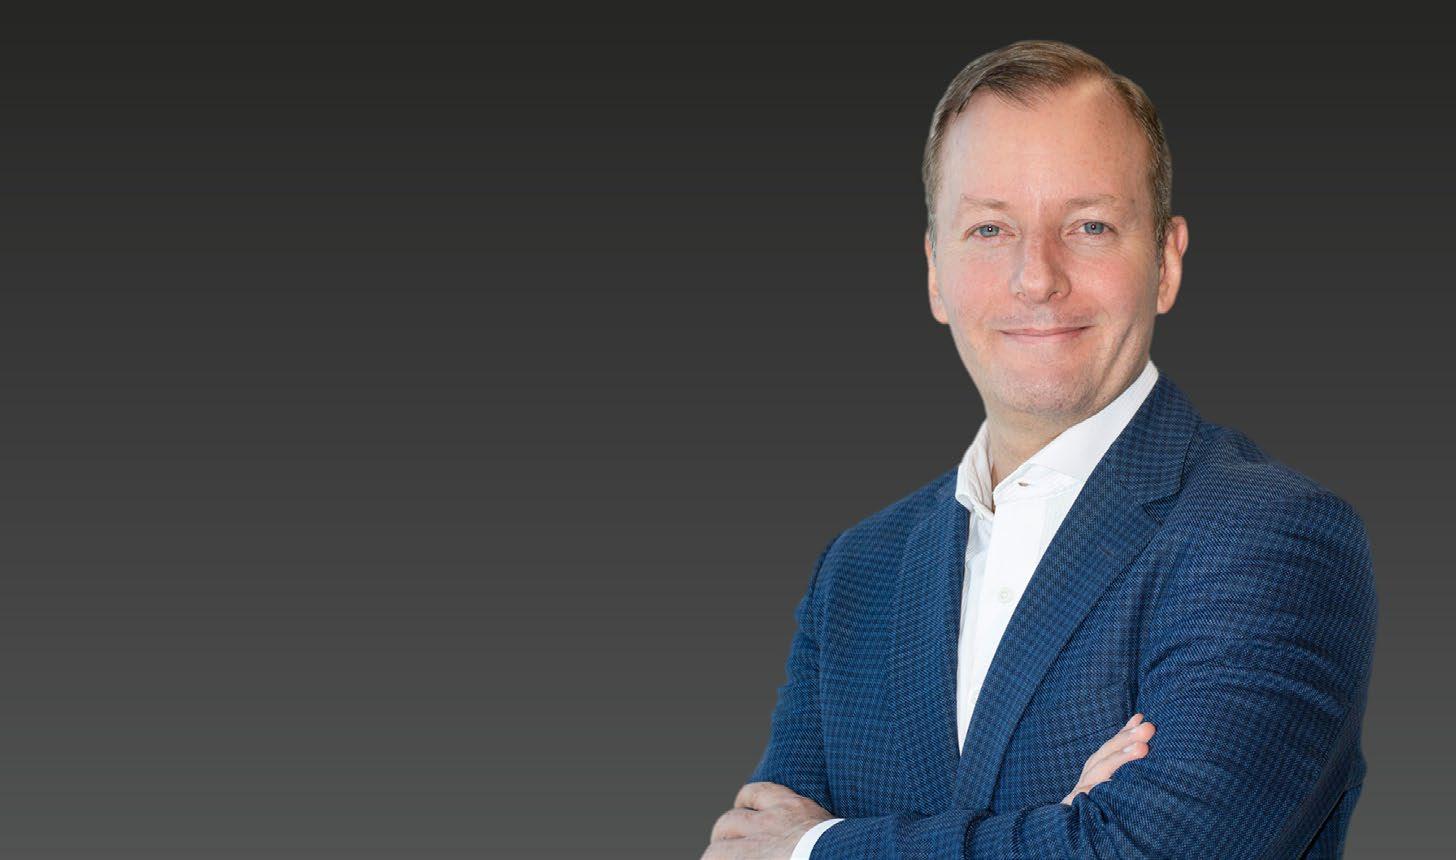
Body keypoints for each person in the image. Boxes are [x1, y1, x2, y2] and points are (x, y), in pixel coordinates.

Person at [702, 39, 1377, 859]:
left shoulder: (1272, 537)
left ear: (1165, 262)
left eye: (1090, 226)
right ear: (935, 273)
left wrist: (817, 847)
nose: (1037, 277)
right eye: (990, 229)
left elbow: (1153, 852)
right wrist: (1066, 832)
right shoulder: (857, 574)